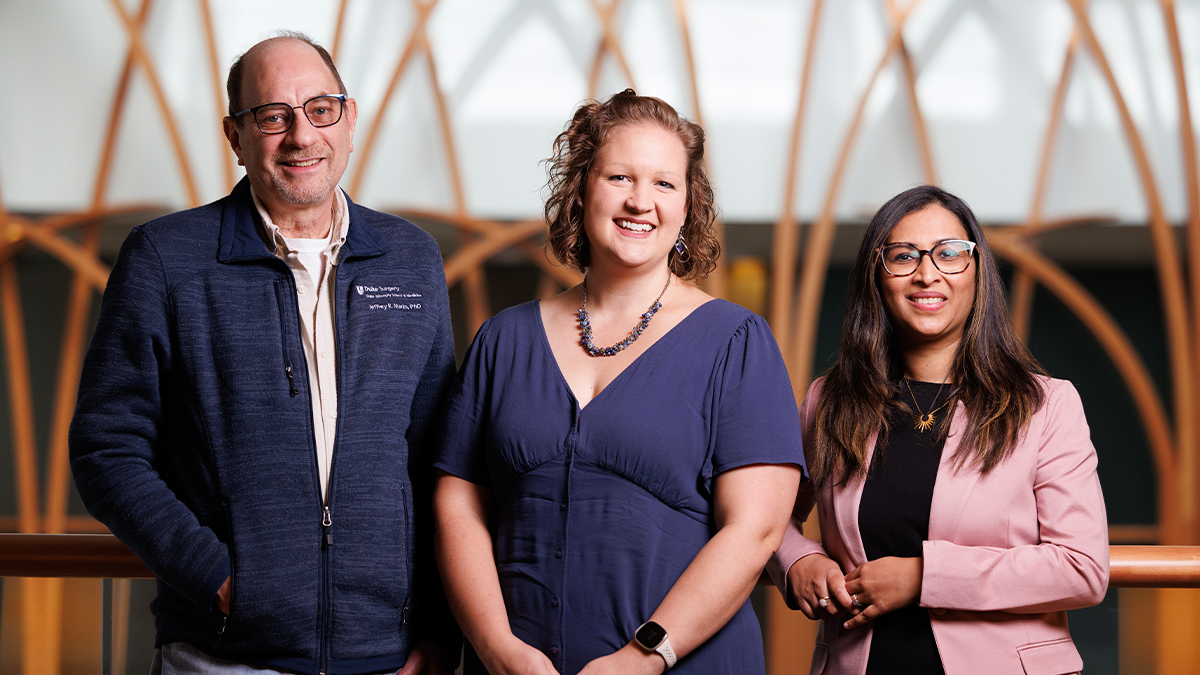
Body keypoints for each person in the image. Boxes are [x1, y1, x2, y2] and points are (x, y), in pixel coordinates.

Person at [69, 33, 457, 674]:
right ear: (235, 136)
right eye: (272, 116)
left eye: (321, 109)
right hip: (224, 656)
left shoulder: (411, 259)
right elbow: (106, 449)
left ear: (350, 118)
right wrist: (219, 579)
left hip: (387, 658)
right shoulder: (166, 260)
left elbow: (441, 460)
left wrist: (441, 637)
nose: (301, 136)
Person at [432, 89, 805, 675]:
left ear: (687, 207)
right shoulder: (503, 340)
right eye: (620, 177)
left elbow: (755, 530)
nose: (640, 201)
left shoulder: (736, 341)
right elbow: (458, 506)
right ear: (581, 189)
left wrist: (644, 656)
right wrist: (495, 648)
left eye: (664, 184)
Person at [768, 185, 1110, 675]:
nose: (927, 273)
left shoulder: (1046, 405)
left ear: (977, 272)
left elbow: (1082, 568)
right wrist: (797, 560)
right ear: (877, 276)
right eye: (903, 256)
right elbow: (767, 517)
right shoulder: (829, 401)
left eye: (950, 253)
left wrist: (924, 577)